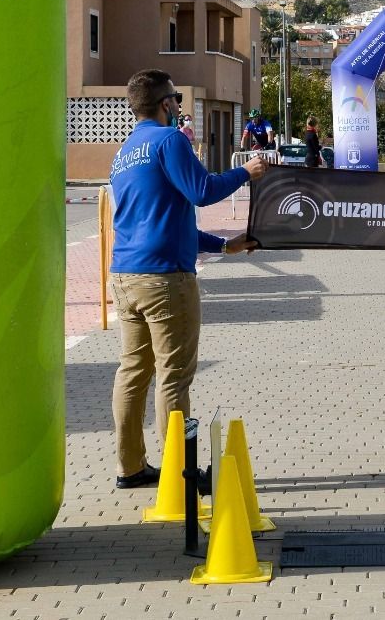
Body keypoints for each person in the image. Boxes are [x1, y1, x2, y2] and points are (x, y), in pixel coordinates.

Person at [109, 69, 268, 488]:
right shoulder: (170, 140)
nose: (178, 106)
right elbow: (202, 191)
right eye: (176, 98)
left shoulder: (125, 152)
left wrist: (224, 246)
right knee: (173, 376)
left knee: (132, 373)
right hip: (165, 279)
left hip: (125, 276)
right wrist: (246, 172)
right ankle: (180, 473)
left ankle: (130, 467)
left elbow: (164, 220)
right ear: (166, 103)